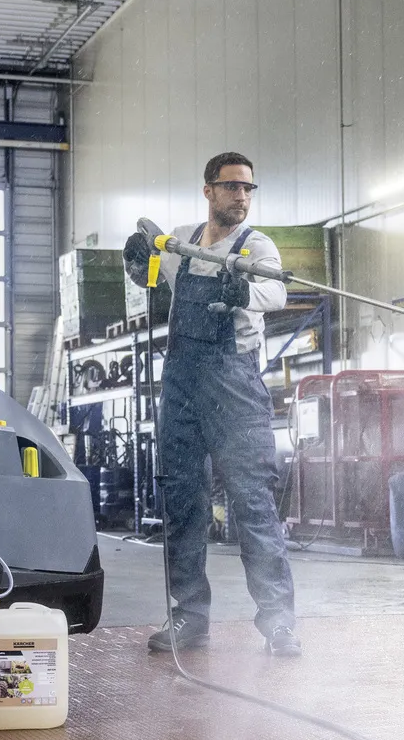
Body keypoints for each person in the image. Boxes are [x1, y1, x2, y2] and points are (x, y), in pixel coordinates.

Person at [124, 152, 301, 657]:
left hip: (233, 385)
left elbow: (275, 291)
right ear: (209, 191)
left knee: (253, 504)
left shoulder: (256, 246)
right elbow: (148, 274)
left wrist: (243, 290)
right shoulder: (181, 241)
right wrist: (138, 257)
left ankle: (279, 623)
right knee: (183, 502)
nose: (241, 196)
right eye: (231, 187)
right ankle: (188, 616)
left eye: (248, 188)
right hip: (181, 384)